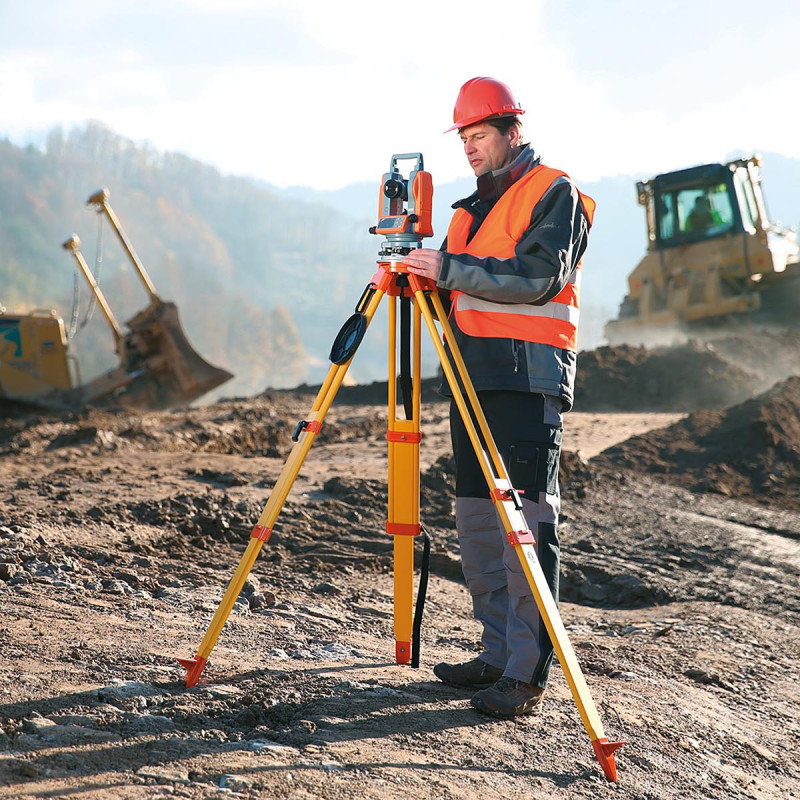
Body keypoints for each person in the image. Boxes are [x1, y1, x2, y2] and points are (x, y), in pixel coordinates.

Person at [403, 77, 595, 719]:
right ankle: (494, 653)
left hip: (527, 378)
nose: (469, 147)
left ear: (513, 131)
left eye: (479, 134)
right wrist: (418, 278)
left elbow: (540, 277)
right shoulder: (464, 212)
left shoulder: (554, 192)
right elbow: (459, 286)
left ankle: (524, 673)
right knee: (479, 523)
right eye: (463, 138)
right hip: (471, 378)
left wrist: (448, 269)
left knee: (525, 527)